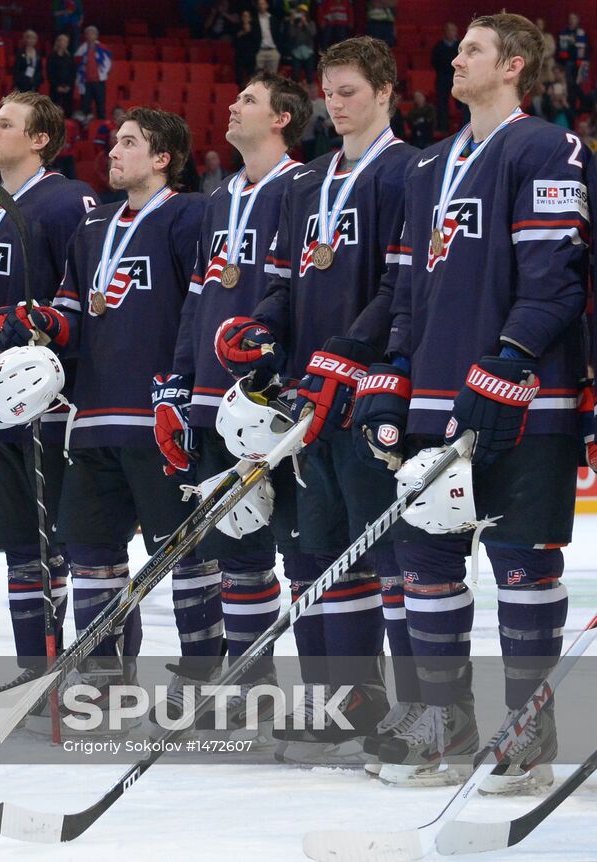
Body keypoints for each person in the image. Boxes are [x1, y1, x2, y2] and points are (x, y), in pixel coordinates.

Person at [353, 13, 589, 791]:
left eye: (475, 51)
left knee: (522, 560)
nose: (457, 61)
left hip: (525, 399)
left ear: (515, 65)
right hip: (434, 401)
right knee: (426, 561)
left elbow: (557, 276)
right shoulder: (425, 168)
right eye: (458, 50)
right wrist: (391, 369)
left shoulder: (545, 146)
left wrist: (511, 355)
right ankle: (445, 717)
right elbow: (406, 290)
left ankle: (529, 719)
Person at [224, 37, 419, 763]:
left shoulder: (408, 171)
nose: (335, 105)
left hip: (367, 394)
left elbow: (401, 286)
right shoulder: (301, 185)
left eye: (349, 92)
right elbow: (283, 284)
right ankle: (342, 700)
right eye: (329, 93)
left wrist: (353, 352)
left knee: (382, 553)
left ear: (385, 91)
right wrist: (258, 326)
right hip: (306, 396)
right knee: (311, 554)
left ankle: (405, 710)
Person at [41, 107, 214, 715]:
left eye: (130, 143)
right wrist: (38, 324)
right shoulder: (91, 231)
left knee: (187, 551)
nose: (113, 151)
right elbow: (69, 315)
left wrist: (184, 389)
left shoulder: (189, 216)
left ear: (163, 157)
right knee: (91, 555)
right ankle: (101, 679)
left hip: (159, 419)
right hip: (91, 423)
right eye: (115, 141)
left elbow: (200, 309)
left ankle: (202, 674)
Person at [155, 73, 310, 719]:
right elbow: (197, 300)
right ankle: (252, 685)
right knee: (236, 547)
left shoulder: (304, 188)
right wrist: (179, 383)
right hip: (215, 404)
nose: (231, 105)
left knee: (305, 550)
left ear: (280, 119)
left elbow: (305, 294)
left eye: (247, 99)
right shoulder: (217, 199)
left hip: (276, 402)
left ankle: (350, 690)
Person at [0, 91, 96, 678]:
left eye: (6, 123)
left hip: (53, 399)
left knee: (61, 545)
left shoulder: (69, 201)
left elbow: (90, 292)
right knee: (21, 543)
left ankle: (87, 669)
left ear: (40, 139)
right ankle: (31, 667)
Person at [74, 25, 111, 119]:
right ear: (86, 36)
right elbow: (77, 64)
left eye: (93, 33)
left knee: (100, 105)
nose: (90, 36)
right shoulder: (81, 49)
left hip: (99, 81)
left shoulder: (103, 48)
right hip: (86, 82)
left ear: (96, 35)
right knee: (85, 106)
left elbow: (108, 63)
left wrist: (102, 71)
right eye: (88, 34)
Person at [432, 22, 462, 133]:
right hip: (442, 78)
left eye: (453, 30)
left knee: (462, 104)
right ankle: (443, 128)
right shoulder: (439, 46)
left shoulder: (460, 46)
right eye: (449, 30)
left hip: (458, 78)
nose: (451, 33)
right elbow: (434, 62)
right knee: (442, 103)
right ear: (445, 32)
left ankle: (462, 128)